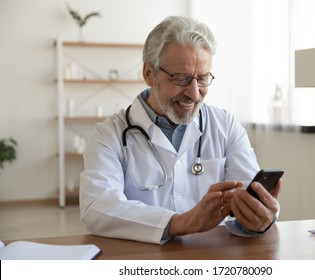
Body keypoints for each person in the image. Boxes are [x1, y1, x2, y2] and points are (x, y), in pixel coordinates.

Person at [79, 15, 281, 244]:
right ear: (149, 74)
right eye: (181, 78)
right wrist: (181, 222)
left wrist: (261, 216)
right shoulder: (109, 134)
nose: (194, 93)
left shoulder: (225, 125)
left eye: (202, 79)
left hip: (213, 257)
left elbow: (249, 193)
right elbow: (97, 208)